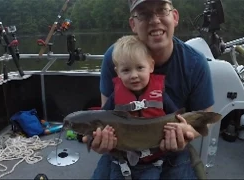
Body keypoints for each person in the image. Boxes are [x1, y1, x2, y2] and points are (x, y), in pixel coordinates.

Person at [83, 0, 215, 179]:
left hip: (172, 151)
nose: (154, 20)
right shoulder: (114, 58)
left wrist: (187, 134)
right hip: (122, 151)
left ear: (174, 17)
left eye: (162, 10)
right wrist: (100, 141)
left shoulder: (195, 63)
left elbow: (205, 118)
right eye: (144, 14)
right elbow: (107, 114)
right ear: (133, 24)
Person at [103, 34, 179, 179]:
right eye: (126, 70)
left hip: (152, 162)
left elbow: (176, 116)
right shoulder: (115, 97)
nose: (134, 75)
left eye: (139, 68)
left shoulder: (161, 94)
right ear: (117, 71)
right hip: (120, 161)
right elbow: (102, 117)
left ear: (151, 66)